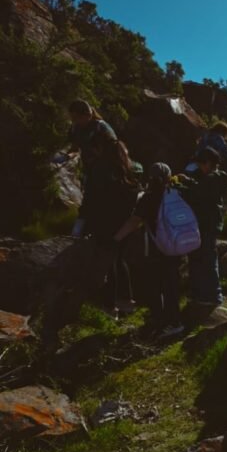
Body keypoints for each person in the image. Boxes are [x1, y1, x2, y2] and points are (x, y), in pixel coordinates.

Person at [114, 163, 183, 338]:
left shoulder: (148, 197)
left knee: (154, 284)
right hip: (176, 246)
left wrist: (116, 238)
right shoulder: (176, 194)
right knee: (171, 285)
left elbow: (134, 221)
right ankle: (174, 321)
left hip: (155, 248)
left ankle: (159, 318)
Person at [80, 138, 139, 313]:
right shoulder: (129, 171)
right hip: (124, 224)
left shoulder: (99, 170)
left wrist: (83, 222)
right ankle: (126, 300)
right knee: (119, 260)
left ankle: (109, 304)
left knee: (107, 262)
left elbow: (91, 199)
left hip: (104, 223)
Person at [181, 146, 227, 307]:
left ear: (208, 163)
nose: (199, 167)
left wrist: (185, 183)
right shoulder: (204, 176)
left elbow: (196, 192)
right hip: (200, 224)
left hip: (208, 225)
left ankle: (214, 295)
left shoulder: (216, 178)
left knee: (207, 259)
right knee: (195, 258)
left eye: (201, 164)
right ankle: (198, 293)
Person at [65, 99, 118, 238]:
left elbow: (115, 150)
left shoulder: (100, 127)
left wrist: (100, 157)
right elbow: (75, 148)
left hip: (107, 171)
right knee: (87, 202)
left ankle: (100, 234)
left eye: (77, 117)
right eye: (72, 117)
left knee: (102, 202)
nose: (74, 120)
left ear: (87, 115)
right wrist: (67, 156)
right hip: (89, 170)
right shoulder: (75, 128)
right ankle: (76, 235)